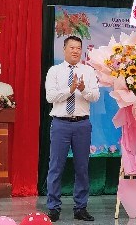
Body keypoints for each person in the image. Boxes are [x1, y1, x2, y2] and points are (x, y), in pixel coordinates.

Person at [45, 36, 99, 222]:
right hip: (60, 124)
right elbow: (50, 97)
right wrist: (70, 89)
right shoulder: (54, 71)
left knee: (82, 168)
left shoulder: (88, 71)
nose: (75, 51)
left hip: (82, 124)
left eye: (78, 48)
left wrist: (83, 89)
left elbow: (95, 96)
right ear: (64, 49)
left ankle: (80, 208)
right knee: (56, 167)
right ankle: (53, 208)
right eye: (72, 47)